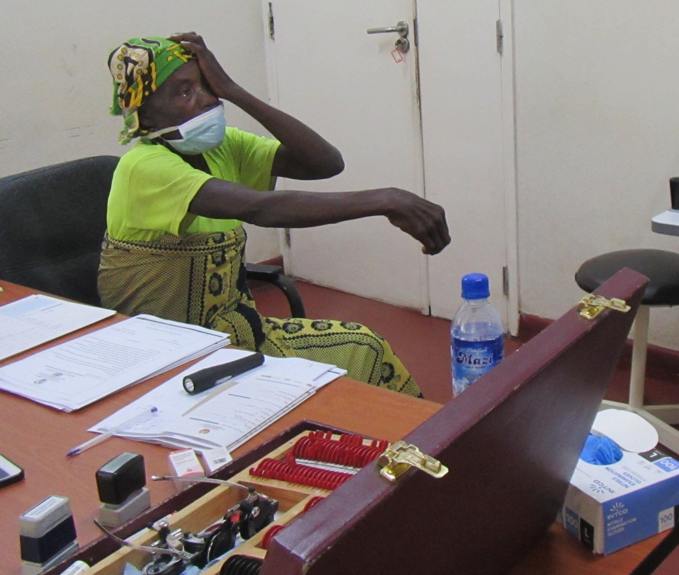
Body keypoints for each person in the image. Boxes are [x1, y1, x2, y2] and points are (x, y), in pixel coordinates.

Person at [100, 34, 450, 398]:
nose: (207, 99)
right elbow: (259, 208)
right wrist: (386, 200)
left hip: (235, 339)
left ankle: (414, 452)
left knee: (365, 349)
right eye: (184, 92)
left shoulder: (222, 149)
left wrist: (234, 90)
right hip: (171, 357)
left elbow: (325, 163)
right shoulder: (142, 168)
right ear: (146, 114)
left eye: (206, 85)